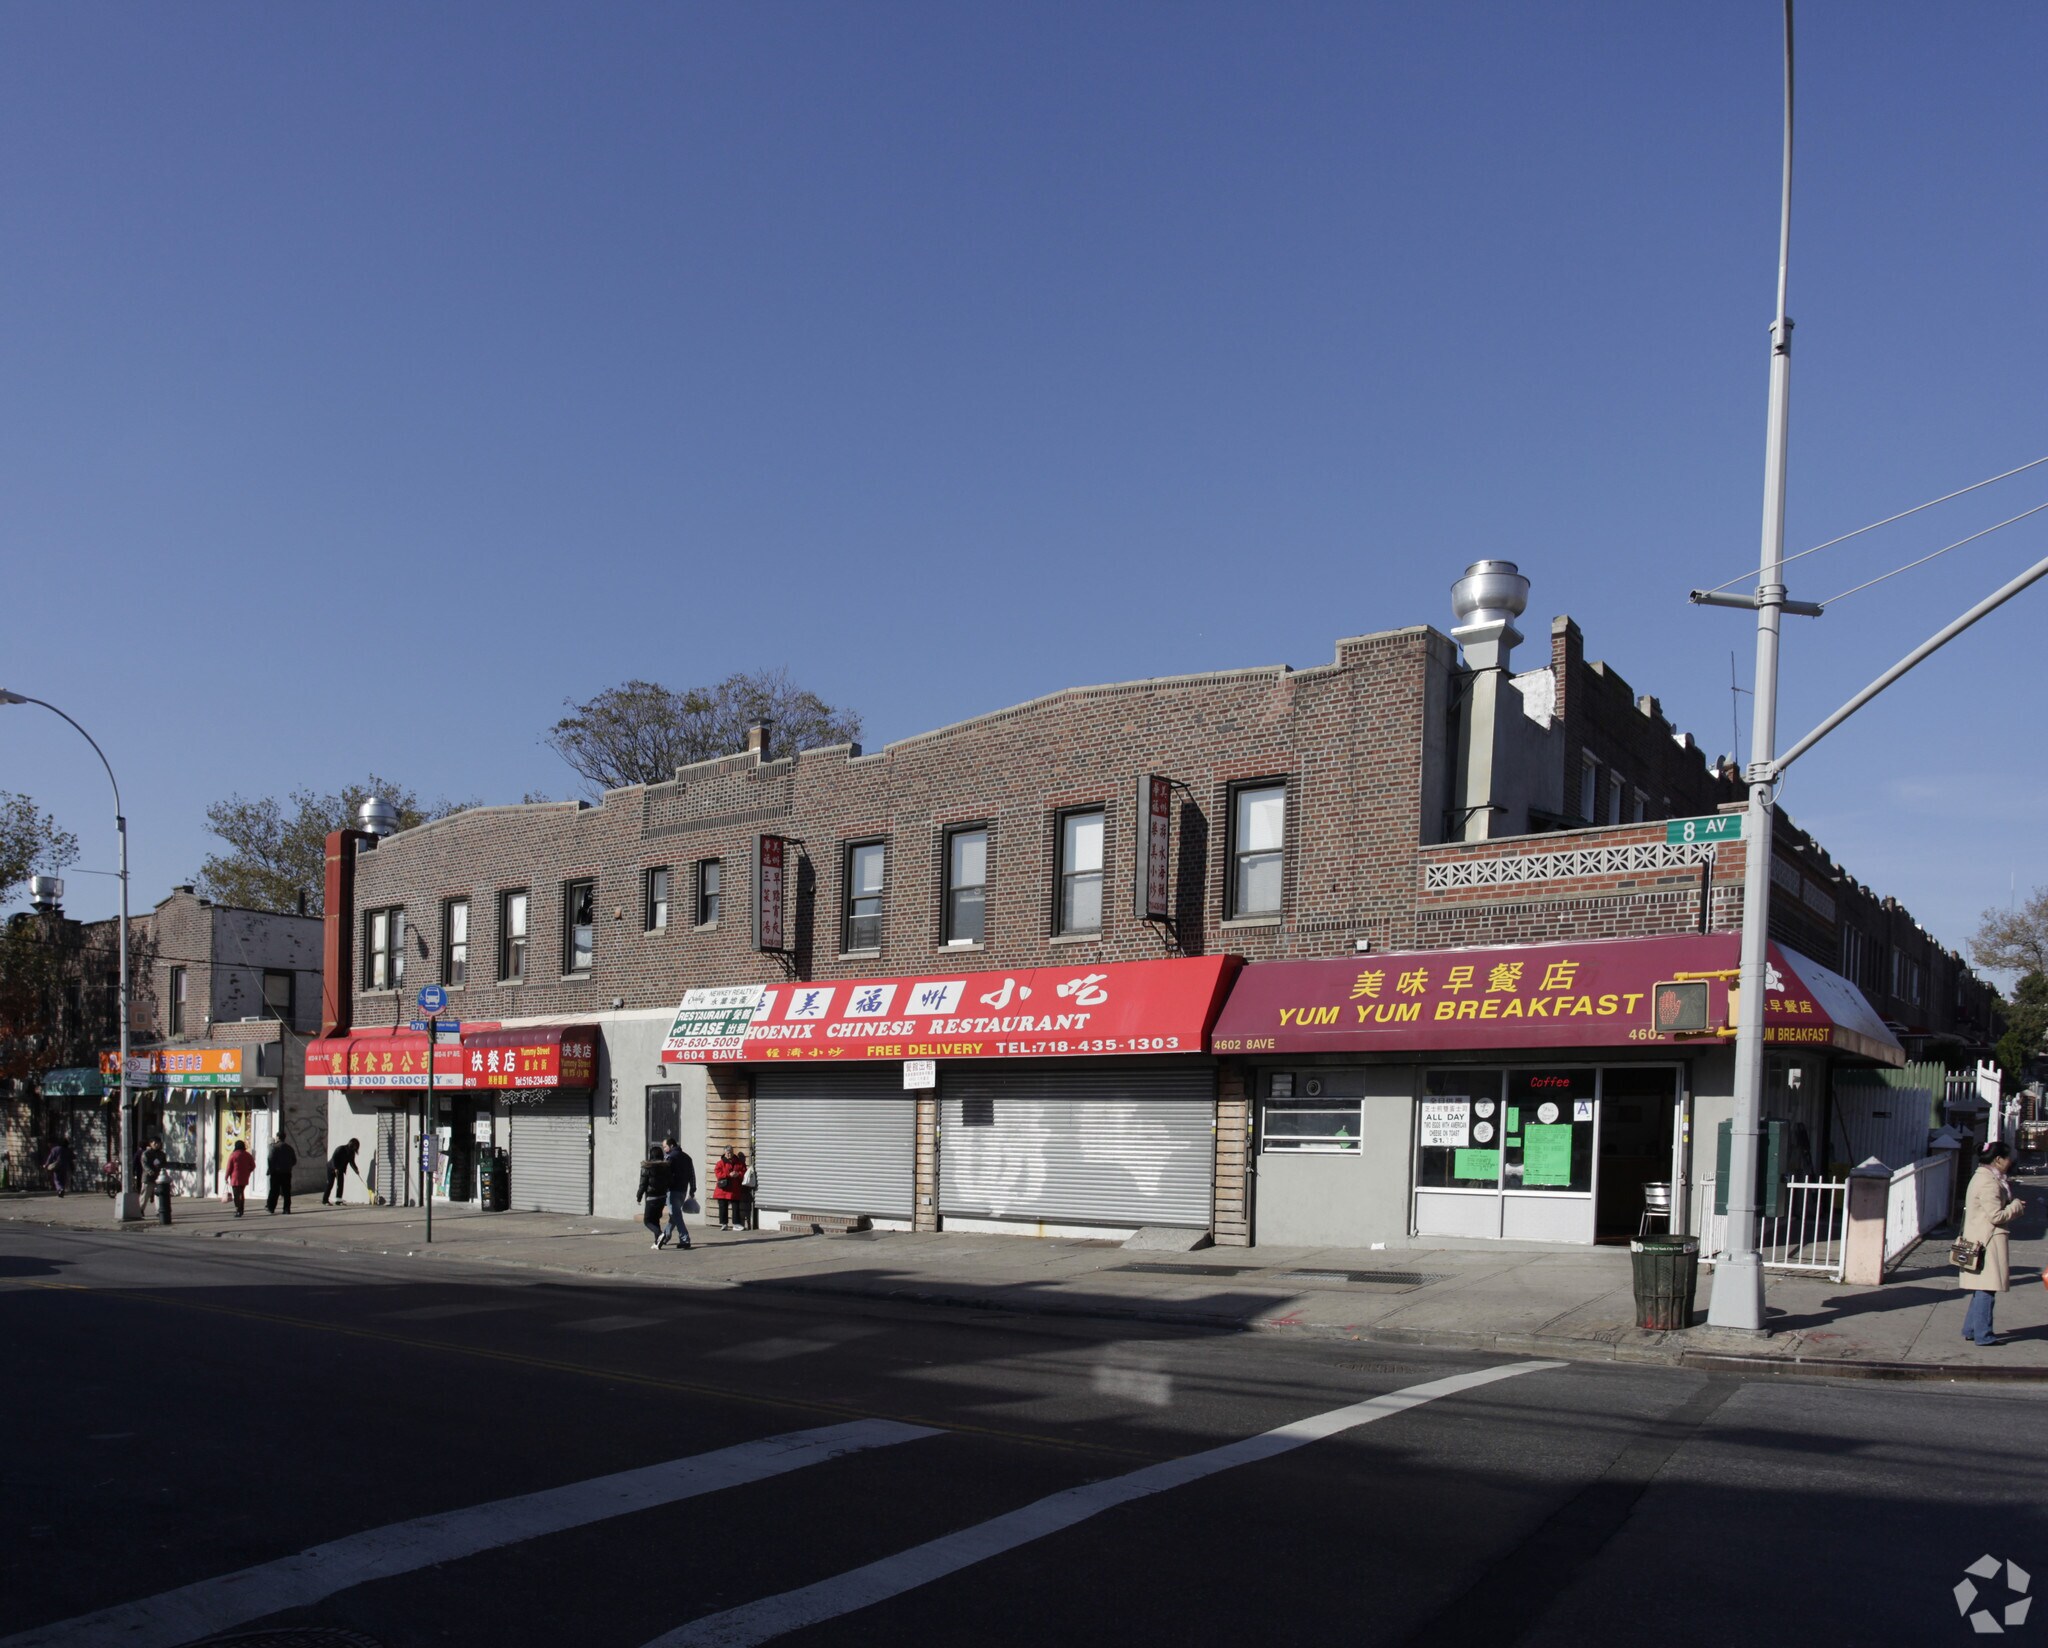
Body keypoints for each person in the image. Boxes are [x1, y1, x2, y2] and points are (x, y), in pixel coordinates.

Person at [1959, 1139, 2027, 1346]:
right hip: (1987, 1241)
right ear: (1998, 1160)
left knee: (1982, 1288)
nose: (2010, 1162)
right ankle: (1983, 1334)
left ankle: (1971, 1329)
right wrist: (2016, 1206)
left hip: (1980, 1238)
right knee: (1987, 1289)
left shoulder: (1982, 1177)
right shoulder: (1988, 1182)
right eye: (2008, 1158)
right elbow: (1996, 1216)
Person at [661, 1135, 696, 1250]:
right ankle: (664, 1236)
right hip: (683, 1190)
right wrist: (692, 1189)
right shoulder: (687, 1157)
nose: (664, 1149)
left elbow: (665, 1174)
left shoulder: (670, 1158)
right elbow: (692, 1175)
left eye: (665, 1147)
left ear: (671, 1146)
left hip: (672, 1190)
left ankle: (685, 1239)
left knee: (676, 1215)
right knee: (674, 1215)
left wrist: (662, 1188)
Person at [637, 1145, 672, 1249]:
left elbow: (643, 1184)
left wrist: (639, 1196)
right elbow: (670, 1181)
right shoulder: (666, 1167)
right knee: (655, 1219)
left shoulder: (647, 1167)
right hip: (662, 1197)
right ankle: (657, 1242)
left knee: (647, 1220)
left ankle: (660, 1234)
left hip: (651, 1197)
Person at [714, 1145, 751, 1233]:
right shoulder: (720, 1163)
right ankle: (724, 1224)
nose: (729, 1154)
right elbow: (718, 1174)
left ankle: (736, 1224)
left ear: (733, 1152)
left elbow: (744, 1171)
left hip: (734, 1188)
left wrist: (738, 1174)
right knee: (723, 1206)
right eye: (727, 1153)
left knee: (736, 1206)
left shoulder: (739, 1162)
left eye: (730, 1152)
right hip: (723, 1189)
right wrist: (728, 1175)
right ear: (725, 1153)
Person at [265, 1132, 298, 1215]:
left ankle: (271, 1208)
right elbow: (294, 1160)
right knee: (286, 1191)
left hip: (276, 1172)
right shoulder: (289, 1148)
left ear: (278, 1137)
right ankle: (287, 1209)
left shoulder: (274, 1147)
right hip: (287, 1172)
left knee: (274, 1191)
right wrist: (288, 1166)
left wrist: (271, 1169)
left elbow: (270, 1159)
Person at [325, 1138, 363, 1206]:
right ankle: (325, 1200)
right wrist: (335, 1168)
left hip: (340, 1170)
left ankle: (338, 1201)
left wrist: (356, 1169)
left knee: (340, 1185)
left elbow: (352, 1162)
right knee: (330, 1184)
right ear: (351, 1144)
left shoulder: (352, 1153)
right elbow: (334, 1158)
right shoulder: (341, 1149)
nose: (356, 1148)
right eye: (355, 1146)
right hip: (331, 1168)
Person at [223, 1140, 254, 1217]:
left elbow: (229, 1168)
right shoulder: (248, 1155)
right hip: (244, 1177)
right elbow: (253, 1166)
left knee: (237, 1195)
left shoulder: (233, 1155)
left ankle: (238, 1209)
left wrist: (226, 1177)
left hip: (235, 1177)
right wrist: (248, 1171)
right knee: (241, 1193)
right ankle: (241, 1209)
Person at [139, 1138, 167, 1209]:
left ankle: (159, 1210)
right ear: (151, 1144)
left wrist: (163, 1171)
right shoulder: (146, 1153)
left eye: (158, 1143)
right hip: (148, 1177)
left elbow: (164, 1164)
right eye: (155, 1143)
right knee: (145, 1195)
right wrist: (150, 1171)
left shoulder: (162, 1154)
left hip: (158, 1177)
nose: (157, 1145)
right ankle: (140, 1209)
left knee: (158, 1195)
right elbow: (144, 1164)